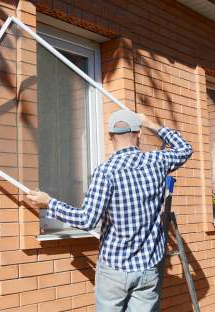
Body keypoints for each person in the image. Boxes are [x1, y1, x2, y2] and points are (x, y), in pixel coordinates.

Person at [27, 109, 192, 312]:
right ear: (138, 133)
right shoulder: (157, 161)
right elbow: (185, 148)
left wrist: (50, 203)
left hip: (115, 268)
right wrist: (150, 123)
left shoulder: (106, 172)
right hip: (149, 267)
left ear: (110, 136)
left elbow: (87, 220)